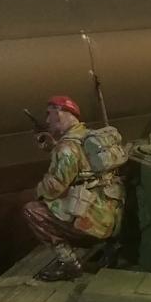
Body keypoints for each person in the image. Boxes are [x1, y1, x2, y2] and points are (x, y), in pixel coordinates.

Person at [23, 96, 127, 282]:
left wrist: (38, 191)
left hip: (91, 227)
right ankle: (111, 250)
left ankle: (68, 262)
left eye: (49, 114)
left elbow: (54, 187)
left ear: (60, 114)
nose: (47, 120)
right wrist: (51, 146)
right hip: (112, 220)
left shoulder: (66, 147)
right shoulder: (89, 137)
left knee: (32, 210)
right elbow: (80, 161)